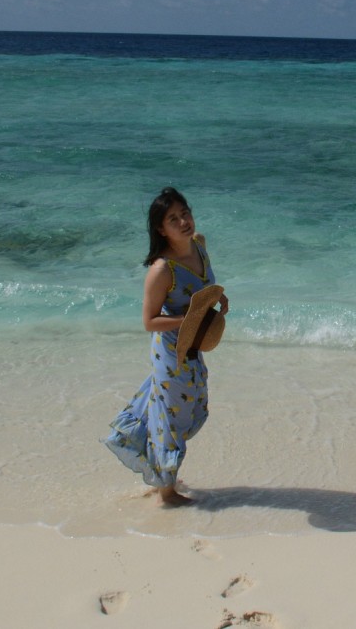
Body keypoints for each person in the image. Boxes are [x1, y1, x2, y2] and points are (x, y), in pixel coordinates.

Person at [103, 187, 228, 506]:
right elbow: (149, 321)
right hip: (171, 350)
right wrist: (188, 319)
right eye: (173, 219)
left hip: (192, 345)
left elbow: (204, 287)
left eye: (185, 213)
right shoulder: (162, 270)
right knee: (169, 416)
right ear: (161, 229)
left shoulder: (199, 245)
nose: (184, 221)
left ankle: (161, 474)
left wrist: (215, 301)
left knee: (184, 407)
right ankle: (166, 492)